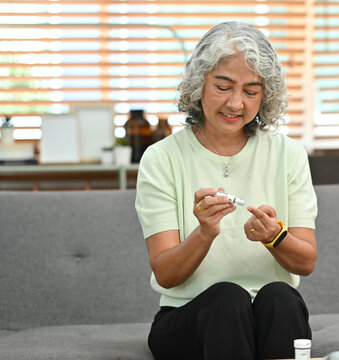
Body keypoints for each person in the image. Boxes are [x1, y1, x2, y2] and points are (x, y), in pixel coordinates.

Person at [135, 21, 318, 360]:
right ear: (198, 85)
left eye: (251, 91)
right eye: (223, 86)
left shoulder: (288, 155)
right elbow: (166, 273)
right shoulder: (161, 158)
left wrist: (274, 237)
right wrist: (204, 232)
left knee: (280, 295)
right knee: (227, 298)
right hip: (188, 318)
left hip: (269, 318)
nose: (236, 103)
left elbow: (305, 262)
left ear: (265, 96)